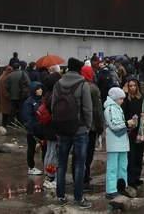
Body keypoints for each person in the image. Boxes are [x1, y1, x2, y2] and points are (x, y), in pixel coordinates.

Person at [54, 58, 92, 209]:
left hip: (62, 129)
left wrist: (57, 127)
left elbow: (53, 108)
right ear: (80, 69)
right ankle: (78, 198)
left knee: (61, 164)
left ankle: (61, 197)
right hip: (80, 129)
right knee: (79, 164)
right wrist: (87, 127)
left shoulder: (58, 84)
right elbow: (87, 109)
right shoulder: (83, 85)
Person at [75, 65, 104, 192]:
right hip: (90, 126)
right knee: (88, 154)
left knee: (78, 153)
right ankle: (84, 180)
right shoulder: (92, 88)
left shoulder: (75, 86)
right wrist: (100, 127)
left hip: (76, 125)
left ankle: (78, 177)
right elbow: (96, 109)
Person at [104, 87, 134, 197]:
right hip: (114, 141)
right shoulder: (110, 109)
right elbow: (113, 125)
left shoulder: (117, 108)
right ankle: (111, 189)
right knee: (112, 166)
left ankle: (122, 186)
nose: (122, 101)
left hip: (122, 141)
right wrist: (127, 124)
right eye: (121, 99)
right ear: (115, 98)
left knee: (122, 165)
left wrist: (129, 125)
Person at [121, 77, 144, 187]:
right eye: (130, 86)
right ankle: (130, 178)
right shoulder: (126, 99)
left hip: (141, 129)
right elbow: (122, 110)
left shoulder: (143, 97)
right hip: (130, 130)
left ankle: (137, 176)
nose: (133, 88)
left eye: (134, 86)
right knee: (131, 155)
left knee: (139, 154)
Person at [23, 81, 47, 175]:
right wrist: (30, 129)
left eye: (41, 89)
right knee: (31, 149)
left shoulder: (43, 100)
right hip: (33, 129)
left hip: (43, 128)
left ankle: (46, 166)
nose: (40, 91)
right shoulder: (29, 102)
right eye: (38, 89)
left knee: (45, 148)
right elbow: (27, 116)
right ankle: (31, 167)